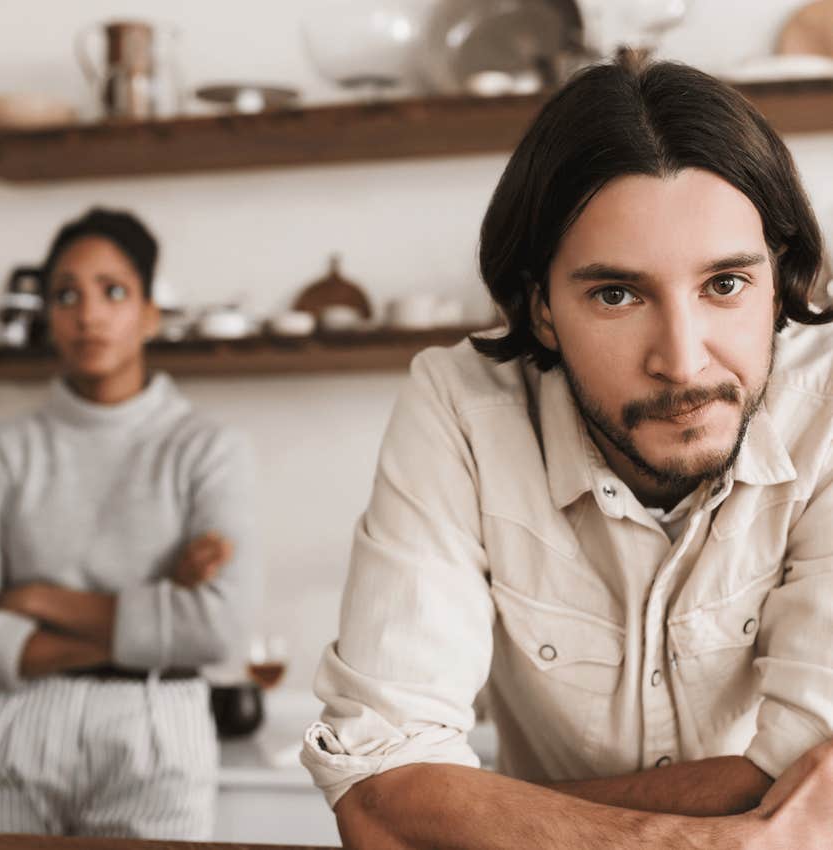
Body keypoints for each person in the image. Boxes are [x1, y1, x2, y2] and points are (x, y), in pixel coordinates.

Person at [301, 56, 833, 848]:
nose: (683, 362)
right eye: (617, 294)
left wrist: (485, 810)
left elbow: (811, 779)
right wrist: (691, 839)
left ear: (779, 277)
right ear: (541, 310)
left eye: (725, 284)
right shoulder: (461, 406)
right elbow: (379, 796)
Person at [0, 208, 258, 838]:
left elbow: (220, 629)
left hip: (158, 723)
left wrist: (36, 599)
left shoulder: (209, 449)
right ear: (47, 316)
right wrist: (159, 609)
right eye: (65, 295)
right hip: (10, 728)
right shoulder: (0, 453)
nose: (88, 314)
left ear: (149, 313)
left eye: (113, 290)